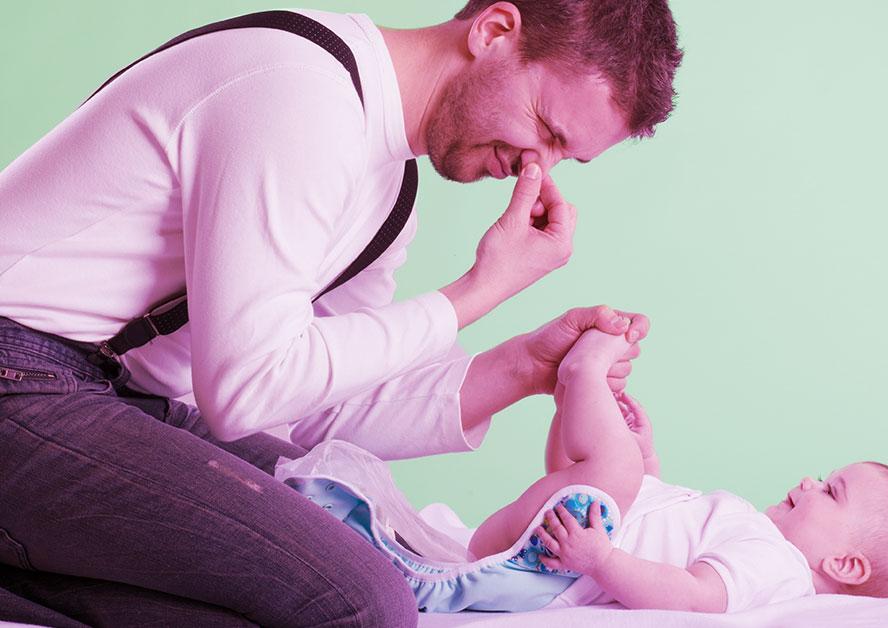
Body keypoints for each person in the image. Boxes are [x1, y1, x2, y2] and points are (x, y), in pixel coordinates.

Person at [0, 1, 682, 625]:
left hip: (107, 395)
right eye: (545, 128)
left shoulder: (387, 192)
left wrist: (522, 368)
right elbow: (245, 392)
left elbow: (309, 408)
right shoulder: (300, 91)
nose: (539, 166)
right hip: (20, 373)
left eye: (568, 155)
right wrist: (479, 290)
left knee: (354, 546)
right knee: (360, 602)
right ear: (494, 31)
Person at [469, 329, 888, 612]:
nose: (810, 482)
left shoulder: (777, 566)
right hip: (568, 539)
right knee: (610, 468)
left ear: (844, 564)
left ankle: (584, 374)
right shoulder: (761, 540)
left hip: (556, 568)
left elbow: (694, 596)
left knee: (613, 468)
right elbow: (668, 532)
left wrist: (600, 562)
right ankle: (571, 390)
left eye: (831, 492)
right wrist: (649, 459)